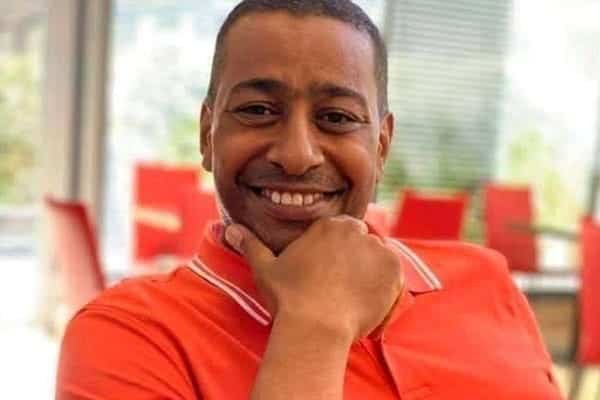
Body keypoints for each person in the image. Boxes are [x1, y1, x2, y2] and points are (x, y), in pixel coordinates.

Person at [56, 1, 564, 399]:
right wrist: (315, 326)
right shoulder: (128, 336)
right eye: (258, 110)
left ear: (381, 146)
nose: (297, 155)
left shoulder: (483, 280)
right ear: (208, 135)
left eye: (337, 117)